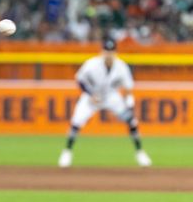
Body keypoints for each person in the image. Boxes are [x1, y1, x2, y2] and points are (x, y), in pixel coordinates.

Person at [58, 38, 151, 168]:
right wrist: (90, 94)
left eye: (111, 51)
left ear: (115, 52)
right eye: (107, 51)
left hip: (111, 96)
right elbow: (79, 80)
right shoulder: (92, 64)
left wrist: (129, 105)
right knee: (76, 121)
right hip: (92, 96)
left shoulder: (121, 67)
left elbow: (128, 88)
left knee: (132, 121)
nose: (109, 54)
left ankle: (140, 152)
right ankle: (67, 152)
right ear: (102, 52)